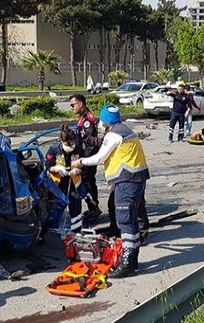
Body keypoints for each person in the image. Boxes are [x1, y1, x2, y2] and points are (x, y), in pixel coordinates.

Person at [72, 105, 150, 278]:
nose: (99, 123)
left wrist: (81, 162)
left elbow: (100, 158)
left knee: (125, 221)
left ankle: (127, 264)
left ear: (106, 122)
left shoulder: (113, 134)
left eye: (101, 120)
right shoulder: (125, 130)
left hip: (127, 180)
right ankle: (133, 260)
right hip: (137, 179)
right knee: (131, 220)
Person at [45, 125, 84, 234]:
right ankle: (49, 231)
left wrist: (78, 170)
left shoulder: (79, 150)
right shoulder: (54, 150)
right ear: (62, 141)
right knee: (55, 208)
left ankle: (76, 231)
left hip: (74, 183)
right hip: (58, 184)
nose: (71, 146)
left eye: (72, 143)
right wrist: (57, 168)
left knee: (75, 207)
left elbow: (84, 166)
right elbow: (48, 166)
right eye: (68, 144)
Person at [69, 94, 102, 221]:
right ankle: (93, 207)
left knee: (87, 181)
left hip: (88, 156)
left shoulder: (87, 119)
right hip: (85, 156)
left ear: (80, 104)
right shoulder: (83, 117)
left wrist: (84, 159)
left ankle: (94, 207)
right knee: (86, 181)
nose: (71, 108)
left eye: (73, 105)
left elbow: (90, 141)